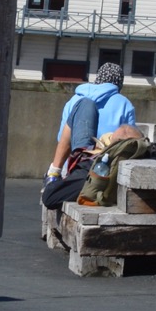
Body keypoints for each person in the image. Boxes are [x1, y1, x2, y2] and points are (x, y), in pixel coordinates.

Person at [42, 61, 139, 209]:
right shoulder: (124, 104)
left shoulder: (75, 100)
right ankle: (54, 173)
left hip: (81, 163)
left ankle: (53, 173)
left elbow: (62, 139)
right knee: (86, 104)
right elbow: (130, 141)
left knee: (85, 104)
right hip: (106, 162)